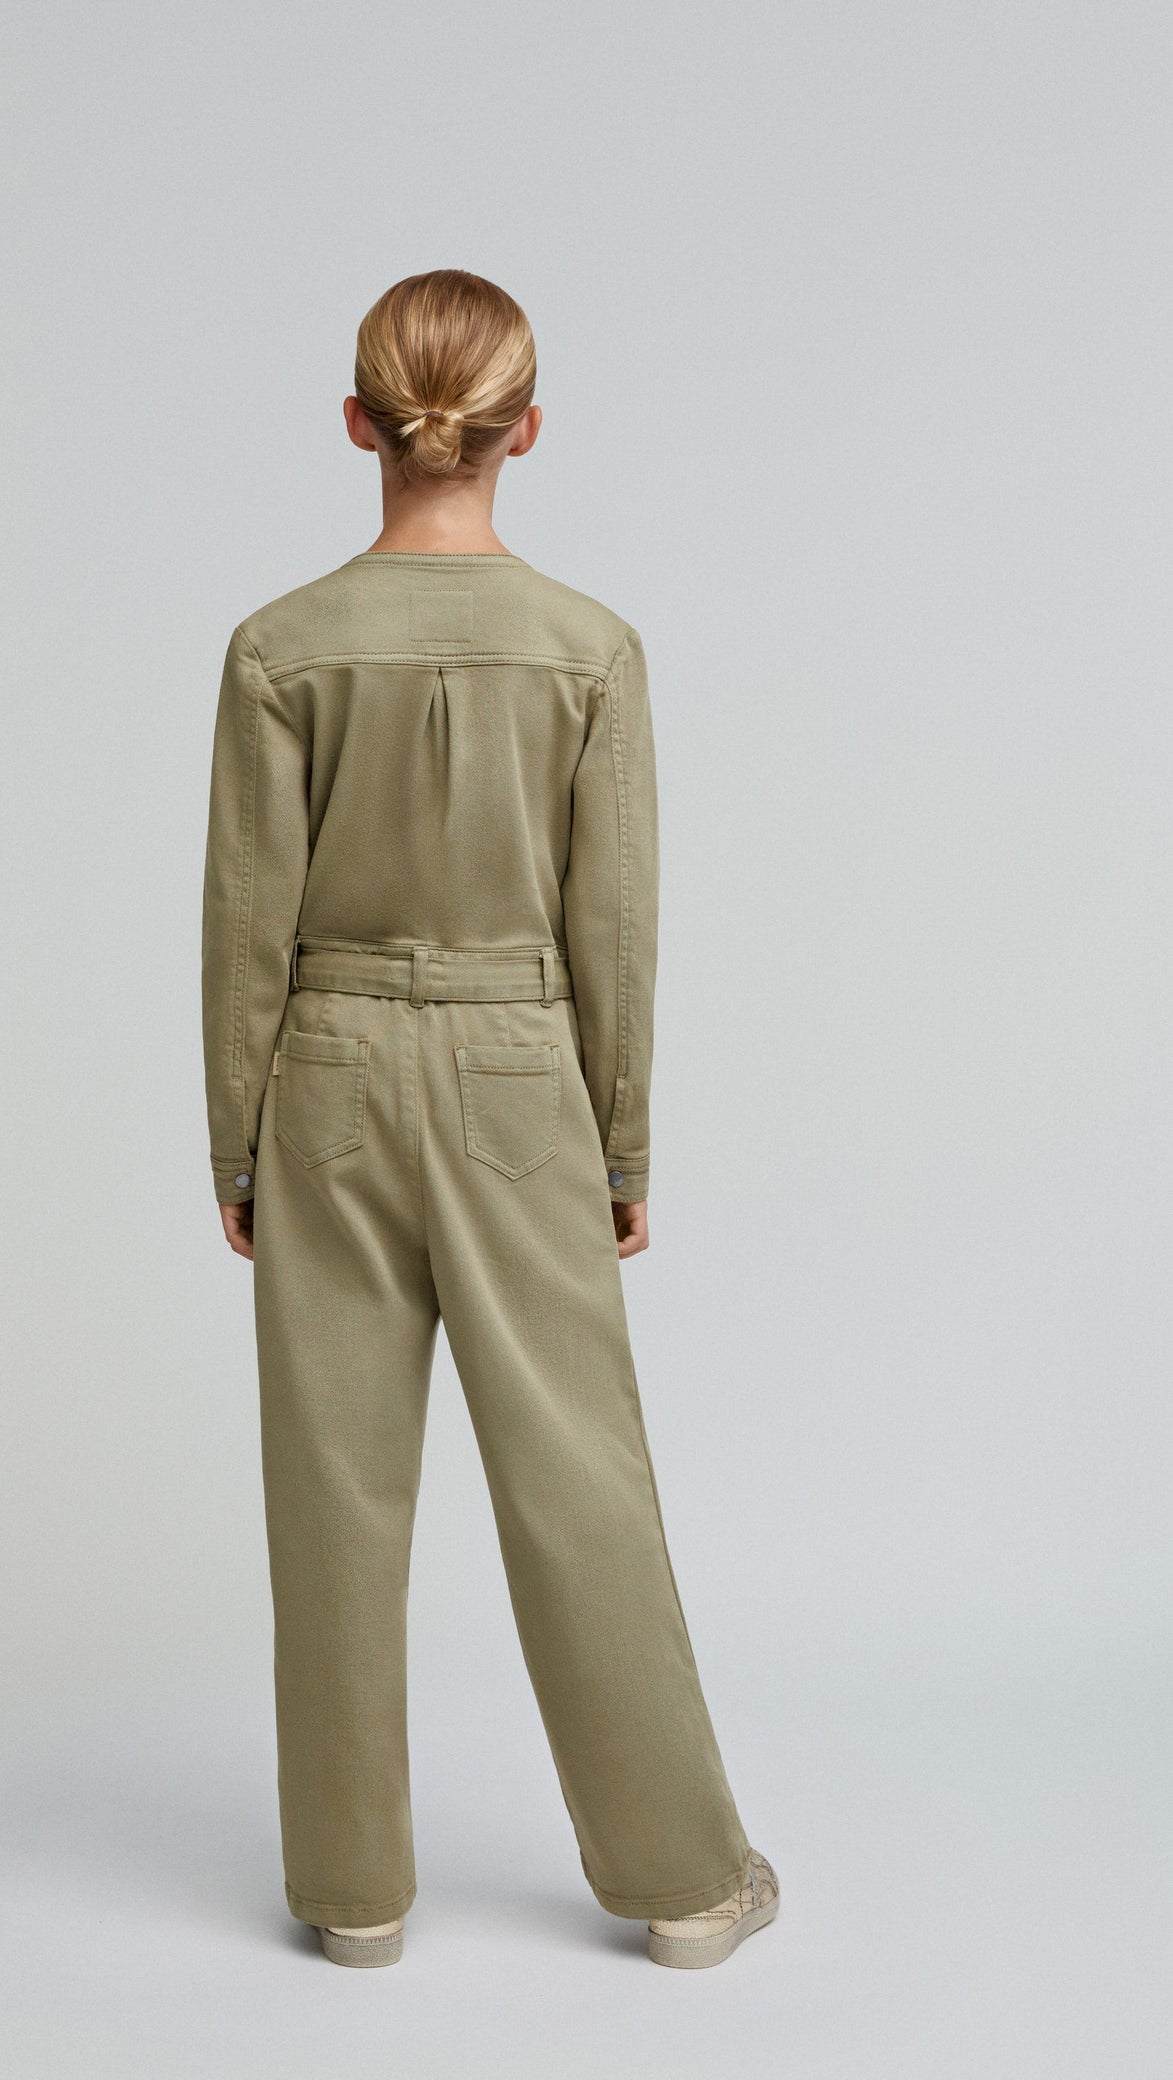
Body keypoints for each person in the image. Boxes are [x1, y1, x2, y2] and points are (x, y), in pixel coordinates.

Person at [201, 269, 778, 1971]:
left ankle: (353, 1900)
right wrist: (621, 1143)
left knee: (332, 1490)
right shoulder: (589, 650)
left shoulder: (277, 647)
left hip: (323, 1075)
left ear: (358, 425)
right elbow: (614, 922)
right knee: (578, 1476)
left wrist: (237, 1140)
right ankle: (683, 1885)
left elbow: (246, 918)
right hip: (523, 1076)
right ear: (524, 431)